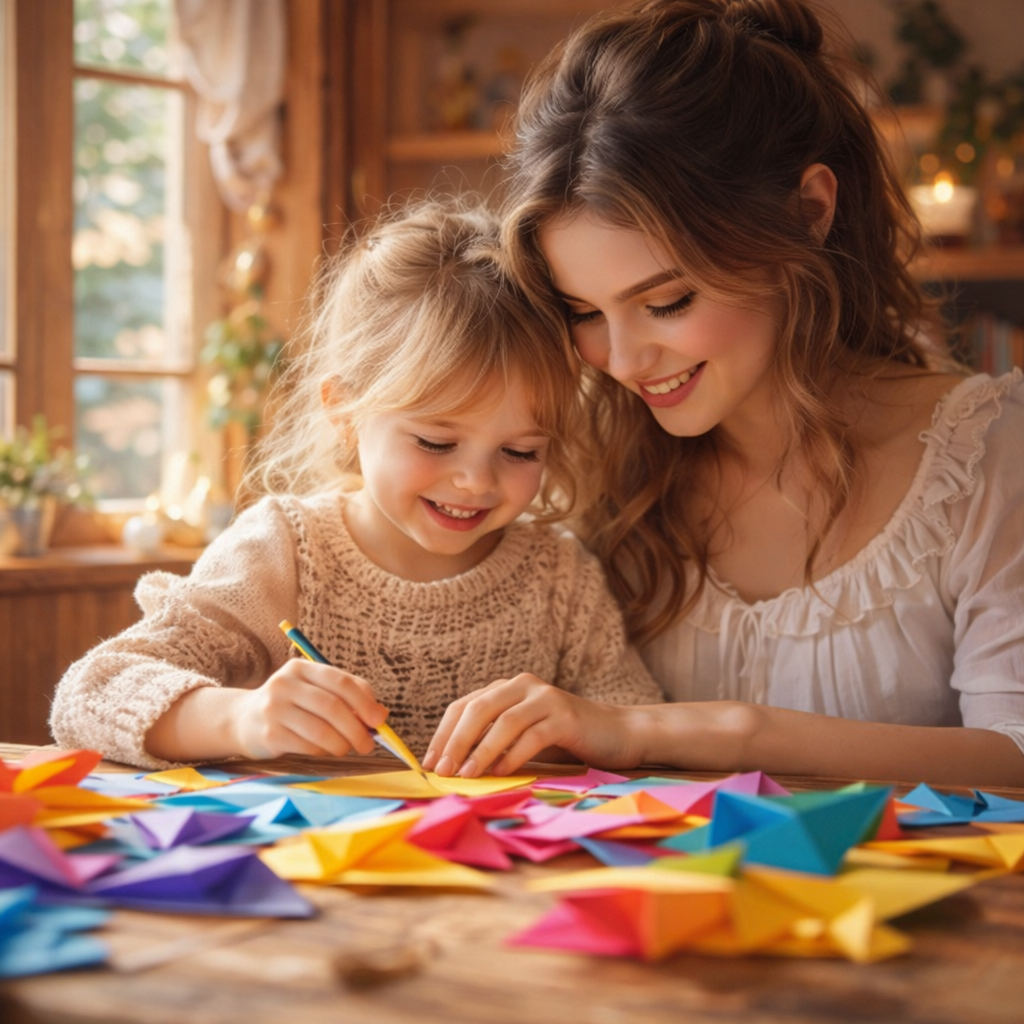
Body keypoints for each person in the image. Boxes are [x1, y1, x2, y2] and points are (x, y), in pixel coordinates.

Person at [421, 0, 1024, 787]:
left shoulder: (986, 455)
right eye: (583, 314)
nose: (625, 360)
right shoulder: (593, 466)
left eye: (667, 302)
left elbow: (1015, 756)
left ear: (808, 212)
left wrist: (711, 731)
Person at [50, 197, 663, 770]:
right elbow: (90, 695)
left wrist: (591, 725)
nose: (476, 480)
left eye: (521, 451)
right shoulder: (284, 552)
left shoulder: (560, 579)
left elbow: (647, 736)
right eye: (435, 442)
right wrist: (243, 718)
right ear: (344, 411)